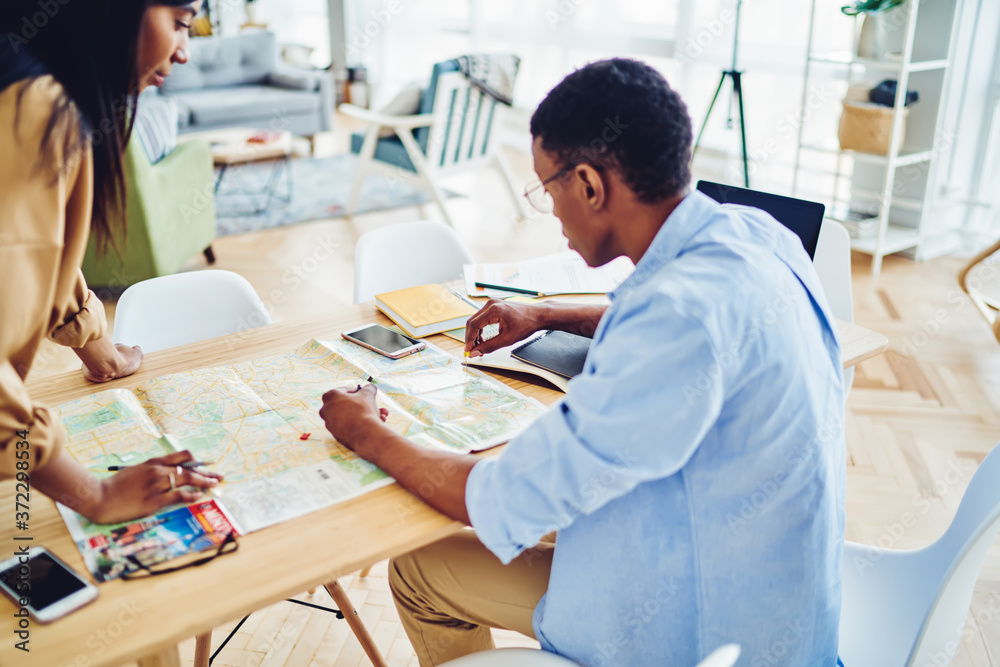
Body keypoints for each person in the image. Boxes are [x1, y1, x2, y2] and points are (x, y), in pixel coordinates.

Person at [320, 58, 845, 666]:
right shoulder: (758, 236)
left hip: (692, 636)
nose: (551, 210)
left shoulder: (672, 319)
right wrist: (547, 313)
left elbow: (501, 499)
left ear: (591, 186)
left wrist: (365, 430)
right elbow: (674, 316)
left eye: (547, 188)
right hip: (781, 605)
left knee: (416, 568)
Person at [0, 0, 221, 524]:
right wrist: (91, 495)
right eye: (180, 23)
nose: (184, 52)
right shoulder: (33, 109)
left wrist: (100, 350)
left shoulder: (29, 81)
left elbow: (34, 255)